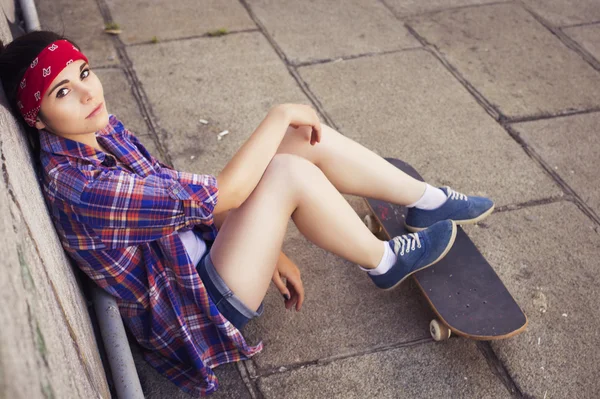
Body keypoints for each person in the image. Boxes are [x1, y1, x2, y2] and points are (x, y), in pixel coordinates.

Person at [0, 31, 494, 396]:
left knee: (300, 142)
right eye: (62, 92)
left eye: (84, 73)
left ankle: (425, 201)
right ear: (37, 118)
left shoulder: (96, 132)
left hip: (200, 255)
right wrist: (277, 113)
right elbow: (220, 198)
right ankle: (383, 261)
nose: (89, 93)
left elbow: (182, 202)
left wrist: (266, 247)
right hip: (197, 305)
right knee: (285, 170)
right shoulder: (83, 187)